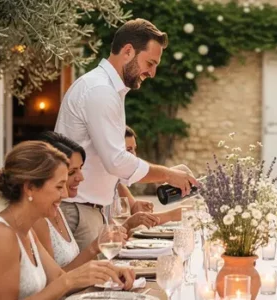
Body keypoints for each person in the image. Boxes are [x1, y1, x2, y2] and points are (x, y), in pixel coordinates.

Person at [54, 18, 197, 249]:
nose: (152, 73)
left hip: (92, 210)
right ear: (128, 51)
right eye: (150, 63)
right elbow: (116, 161)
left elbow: (106, 159)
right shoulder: (100, 90)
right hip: (79, 212)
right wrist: (168, 175)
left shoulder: (109, 89)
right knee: (87, 284)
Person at [0, 141, 135, 299]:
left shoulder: (27, 231)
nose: (64, 194)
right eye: (59, 186)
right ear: (30, 188)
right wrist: (69, 281)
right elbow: (63, 282)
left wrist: (103, 271)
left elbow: (57, 278)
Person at [32, 131, 139, 271]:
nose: (81, 177)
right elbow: (55, 282)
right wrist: (94, 248)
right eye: (72, 172)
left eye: (81, 169)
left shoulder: (56, 210)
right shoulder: (37, 220)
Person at [117, 126, 183, 225]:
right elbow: (114, 228)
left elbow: (139, 215)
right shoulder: (106, 181)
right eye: (129, 150)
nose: (134, 155)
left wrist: (135, 207)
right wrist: (174, 214)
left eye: (134, 149)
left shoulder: (117, 182)